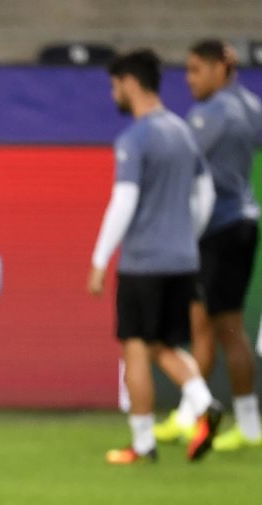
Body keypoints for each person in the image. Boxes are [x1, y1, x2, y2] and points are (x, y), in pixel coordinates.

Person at [89, 49, 221, 464]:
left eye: (115, 86)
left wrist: (98, 259)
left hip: (144, 261)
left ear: (130, 83)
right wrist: (185, 236)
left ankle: (143, 443)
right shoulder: (183, 132)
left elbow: (123, 201)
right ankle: (202, 401)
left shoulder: (136, 138)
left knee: (134, 346)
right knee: (163, 344)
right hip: (182, 259)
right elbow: (206, 194)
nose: (114, 94)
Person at [154, 40, 262, 451]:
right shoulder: (249, 105)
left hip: (218, 228)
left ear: (220, 70)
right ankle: (224, 418)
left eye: (197, 70)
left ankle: (200, 416)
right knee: (217, 325)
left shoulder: (211, 115)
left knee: (218, 327)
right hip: (241, 225)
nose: (189, 79)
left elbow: (178, 162)